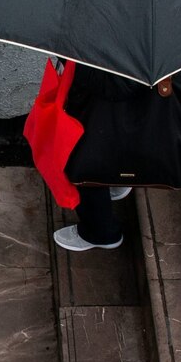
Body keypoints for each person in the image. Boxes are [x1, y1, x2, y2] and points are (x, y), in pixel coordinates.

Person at [51, 60, 137, 251]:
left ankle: (101, 233)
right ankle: (117, 182)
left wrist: (71, 61)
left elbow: (118, 85)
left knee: (84, 164)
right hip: (125, 113)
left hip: (98, 107)